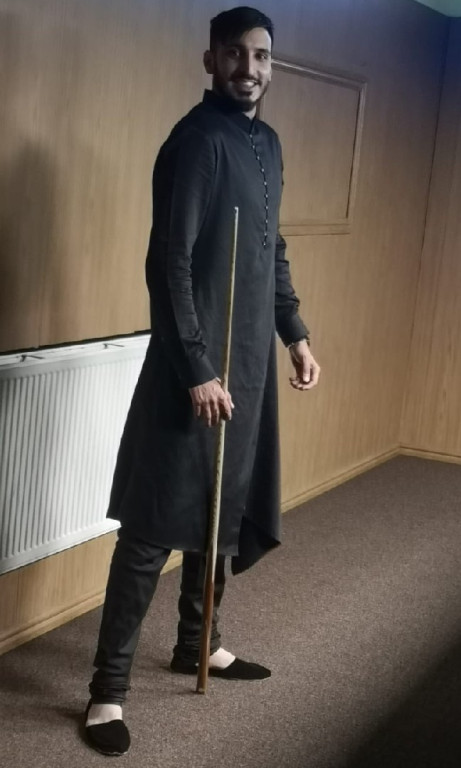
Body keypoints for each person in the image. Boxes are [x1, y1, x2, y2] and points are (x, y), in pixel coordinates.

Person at [84, 5, 320, 756]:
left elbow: (270, 248)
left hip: (246, 364)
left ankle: (198, 643)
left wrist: (294, 333)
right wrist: (195, 368)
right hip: (191, 369)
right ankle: (106, 694)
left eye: (262, 56)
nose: (250, 68)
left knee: (221, 512)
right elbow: (169, 264)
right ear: (211, 59)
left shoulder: (269, 144)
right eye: (236, 54)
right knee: (154, 527)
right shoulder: (194, 142)